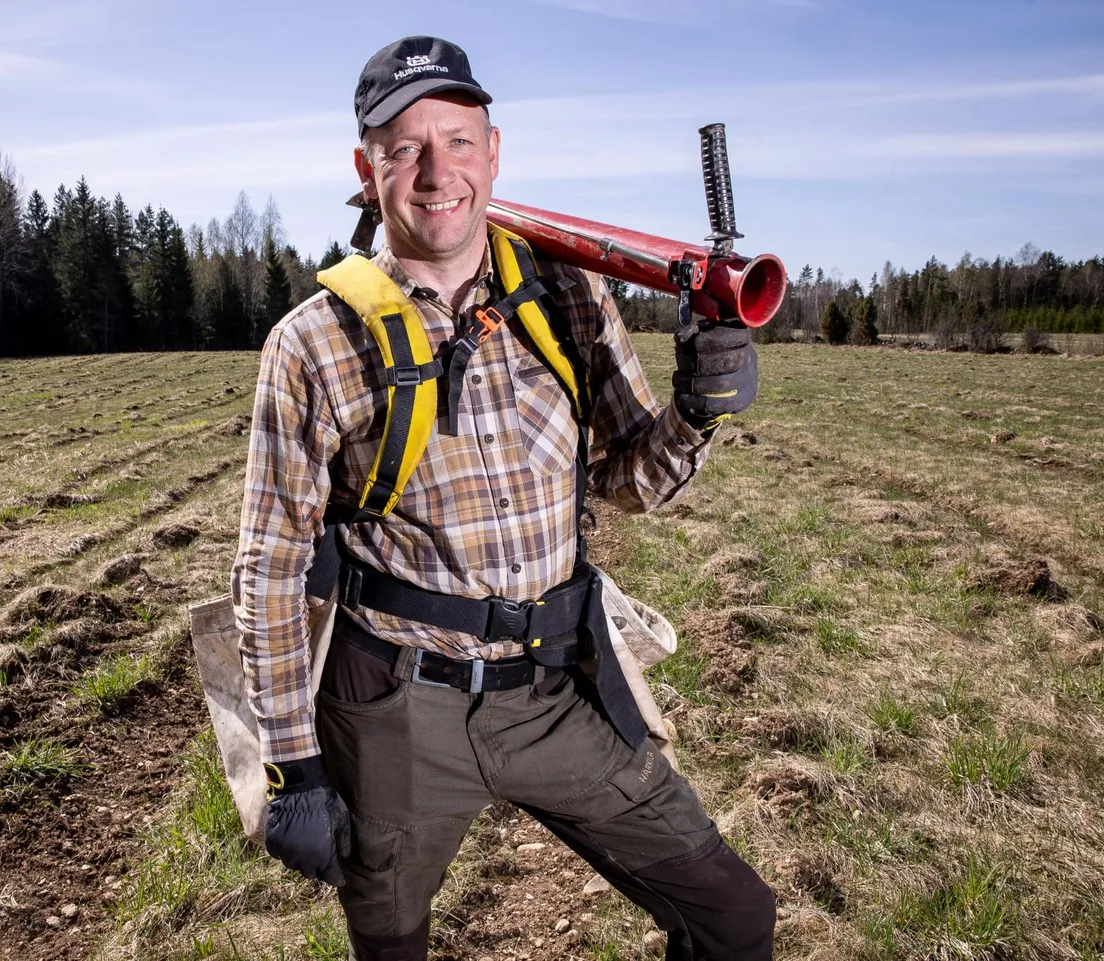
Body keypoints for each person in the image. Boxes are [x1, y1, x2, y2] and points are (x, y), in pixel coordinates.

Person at [231, 35, 774, 961]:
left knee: (732, 919)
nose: (438, 170)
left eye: (459, 140)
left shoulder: (564, 291)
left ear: (495, 150)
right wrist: (295, 767)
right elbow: (272, 566)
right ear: (368, 169)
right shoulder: (312, 343)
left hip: (557, 685)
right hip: (398, 707)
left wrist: (694, 411)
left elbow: (627, 479)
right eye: (405, 147)